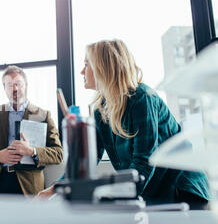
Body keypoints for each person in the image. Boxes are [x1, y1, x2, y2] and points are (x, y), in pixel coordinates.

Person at [38, 39, 210, 209]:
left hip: (182, 188)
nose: (82, 72)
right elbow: (88, 161)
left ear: (102, 67)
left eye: (86, 65)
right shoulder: (100, 111)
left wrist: (116, 198)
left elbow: (144, 162)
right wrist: (54, 189)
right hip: (153, 192)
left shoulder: (143, 97)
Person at [0, 65, 63, 195]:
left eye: (18, 84)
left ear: (25, 85)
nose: (14, 88)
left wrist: (32, 151)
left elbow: (58, 153)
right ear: (4, 88)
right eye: (9, 85)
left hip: (29, 187)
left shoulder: (42, 115)